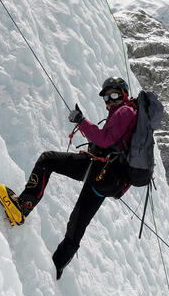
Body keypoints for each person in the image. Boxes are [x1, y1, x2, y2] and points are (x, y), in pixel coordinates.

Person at [13, 76, 137, 279]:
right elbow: (110, 141)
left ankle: (24, 205)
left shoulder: (124, 112)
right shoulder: (127, 113)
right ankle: (57, 266)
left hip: (98, 168)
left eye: (114, 94)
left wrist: (81, 121)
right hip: (107, 179)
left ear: (124, 94)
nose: (110, 100)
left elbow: (105, 141)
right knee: (77, 223)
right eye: (106, 97)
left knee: (48, 160)